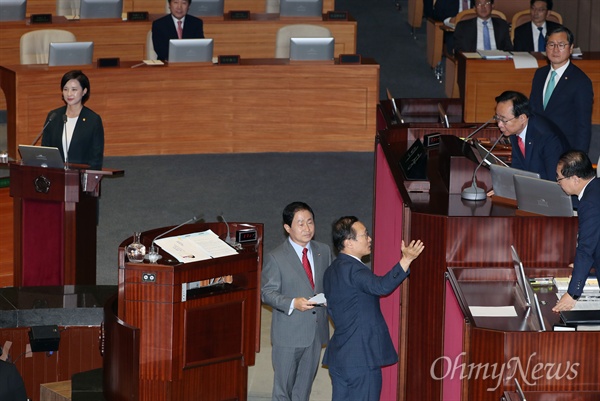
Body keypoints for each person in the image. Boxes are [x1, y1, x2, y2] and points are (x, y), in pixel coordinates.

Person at [323, 216, 424, 401]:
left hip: (340, 357)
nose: (369, 239)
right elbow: (381, 286)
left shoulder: (331, 270)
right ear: (348, 242)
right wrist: (406, 259)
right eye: (365, 235)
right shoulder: (355, 270)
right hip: (362, 359)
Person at [261, 201, 332, 401]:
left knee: (303, 391)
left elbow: (327, 284)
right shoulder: (276, 258)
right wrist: (293, 303)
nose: (307, 228)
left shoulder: (323, 251)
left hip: (315, 333)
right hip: (288, 335)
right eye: (300, 223)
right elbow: (266, 293)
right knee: (283, 391)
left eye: (310, 222)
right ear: (287, 228)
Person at [528, 25, 594, 153]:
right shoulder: (540, 74)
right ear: (546, 48)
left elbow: (583, 126)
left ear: (571, 48)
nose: (555, 49)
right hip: (537, 147)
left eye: (561, 45)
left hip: (564, 150)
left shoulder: (581, 81)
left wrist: (578, 159)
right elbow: (533, 111)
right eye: (551, 44)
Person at [552, 151, 600, 312]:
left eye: (559, 178)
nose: (558, 182)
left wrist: (572, 293)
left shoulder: (590, 203)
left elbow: (586, 247)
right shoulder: (595, 188)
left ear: (575, 178)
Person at [494, 90, 569, 180]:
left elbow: (554, 180)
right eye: (497, 118)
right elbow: (518, 168)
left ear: (522, 118)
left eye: (504, 120)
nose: (499, 124)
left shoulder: (547, 137)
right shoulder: (514, 129)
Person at [41, 70, 104, 170]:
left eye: (74, 89)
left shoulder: (93, 120)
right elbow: (45, 150)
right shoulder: (54, 116)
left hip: (81, 177)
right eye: (65, 89)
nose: (69, 94)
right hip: (56, 176)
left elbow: (96, 157)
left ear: (84, 91)